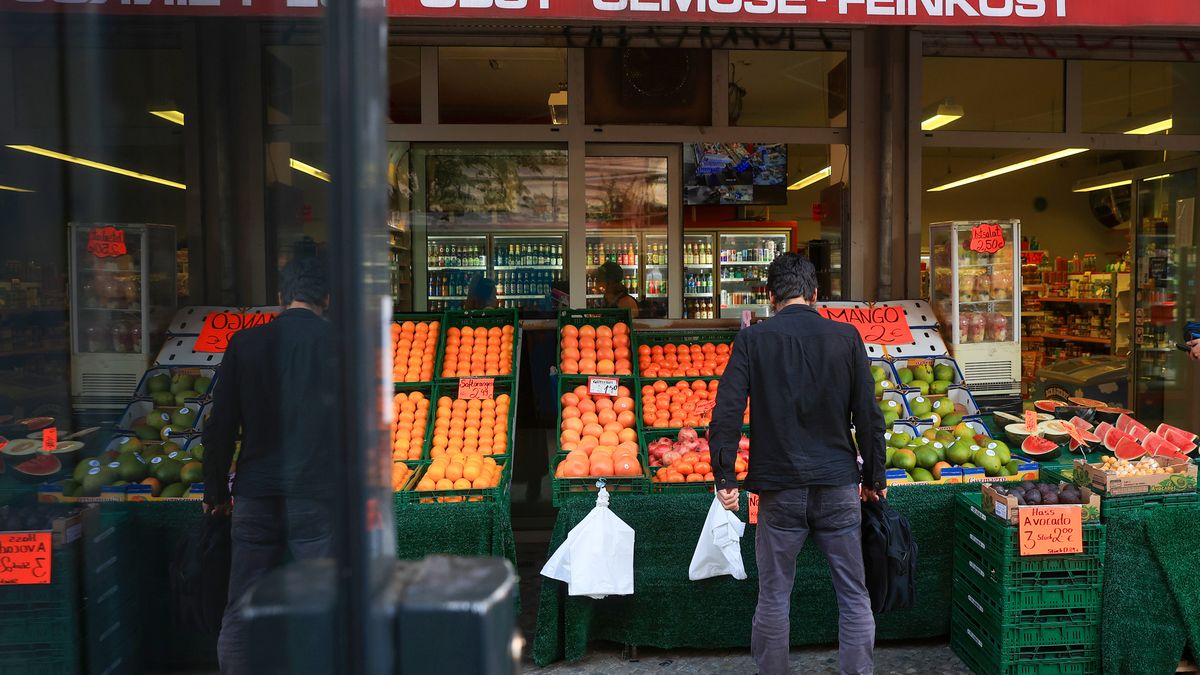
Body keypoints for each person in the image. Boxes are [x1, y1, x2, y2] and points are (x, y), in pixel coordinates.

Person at [709, 252, 886, 675]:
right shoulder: (846, 338)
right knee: (853, 594)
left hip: (778, 491)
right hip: (839, 486)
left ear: (771, 297)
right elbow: (869, 416)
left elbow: (727, 412)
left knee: (773, 596)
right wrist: (873, 477)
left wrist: (724, 476)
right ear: (816, 294)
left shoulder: (754, 339)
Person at [202, 256, 338, 675]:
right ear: (327, 300)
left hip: (255, 493)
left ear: (281, 297)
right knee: (320, 604)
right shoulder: (339, 343)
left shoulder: (246, 344)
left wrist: (215, 492)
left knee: (243, 605)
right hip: (315, 494)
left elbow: (220, 424)